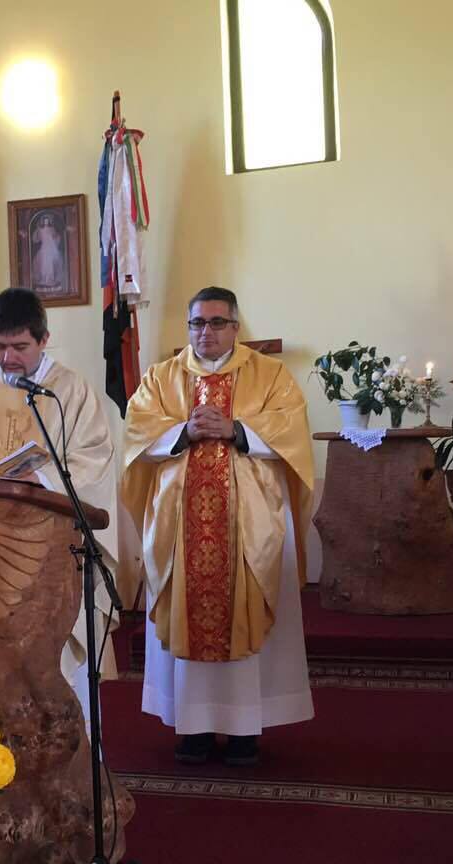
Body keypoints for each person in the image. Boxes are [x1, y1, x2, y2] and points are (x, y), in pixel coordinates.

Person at [121, 286, 315, 765]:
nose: (205, 332)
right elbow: (136, 431)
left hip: (250, 523)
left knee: (247, 615)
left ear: (235, 326)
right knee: (188, 612)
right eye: (197, 323)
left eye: (216, 322)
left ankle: (245, 729)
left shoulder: (269, 375)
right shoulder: (162, 377)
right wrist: (183, 432)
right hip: (179, 523)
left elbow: (292, 430)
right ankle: (194, 728)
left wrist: (237, 430)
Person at [0, 287, 119, 733]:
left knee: (55, 655)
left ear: (44, 339)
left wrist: (43, 479)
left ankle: (72, 749)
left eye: (20, 347)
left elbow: (93, 460)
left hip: (52, 548)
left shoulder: (69, 392)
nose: (8, 357)